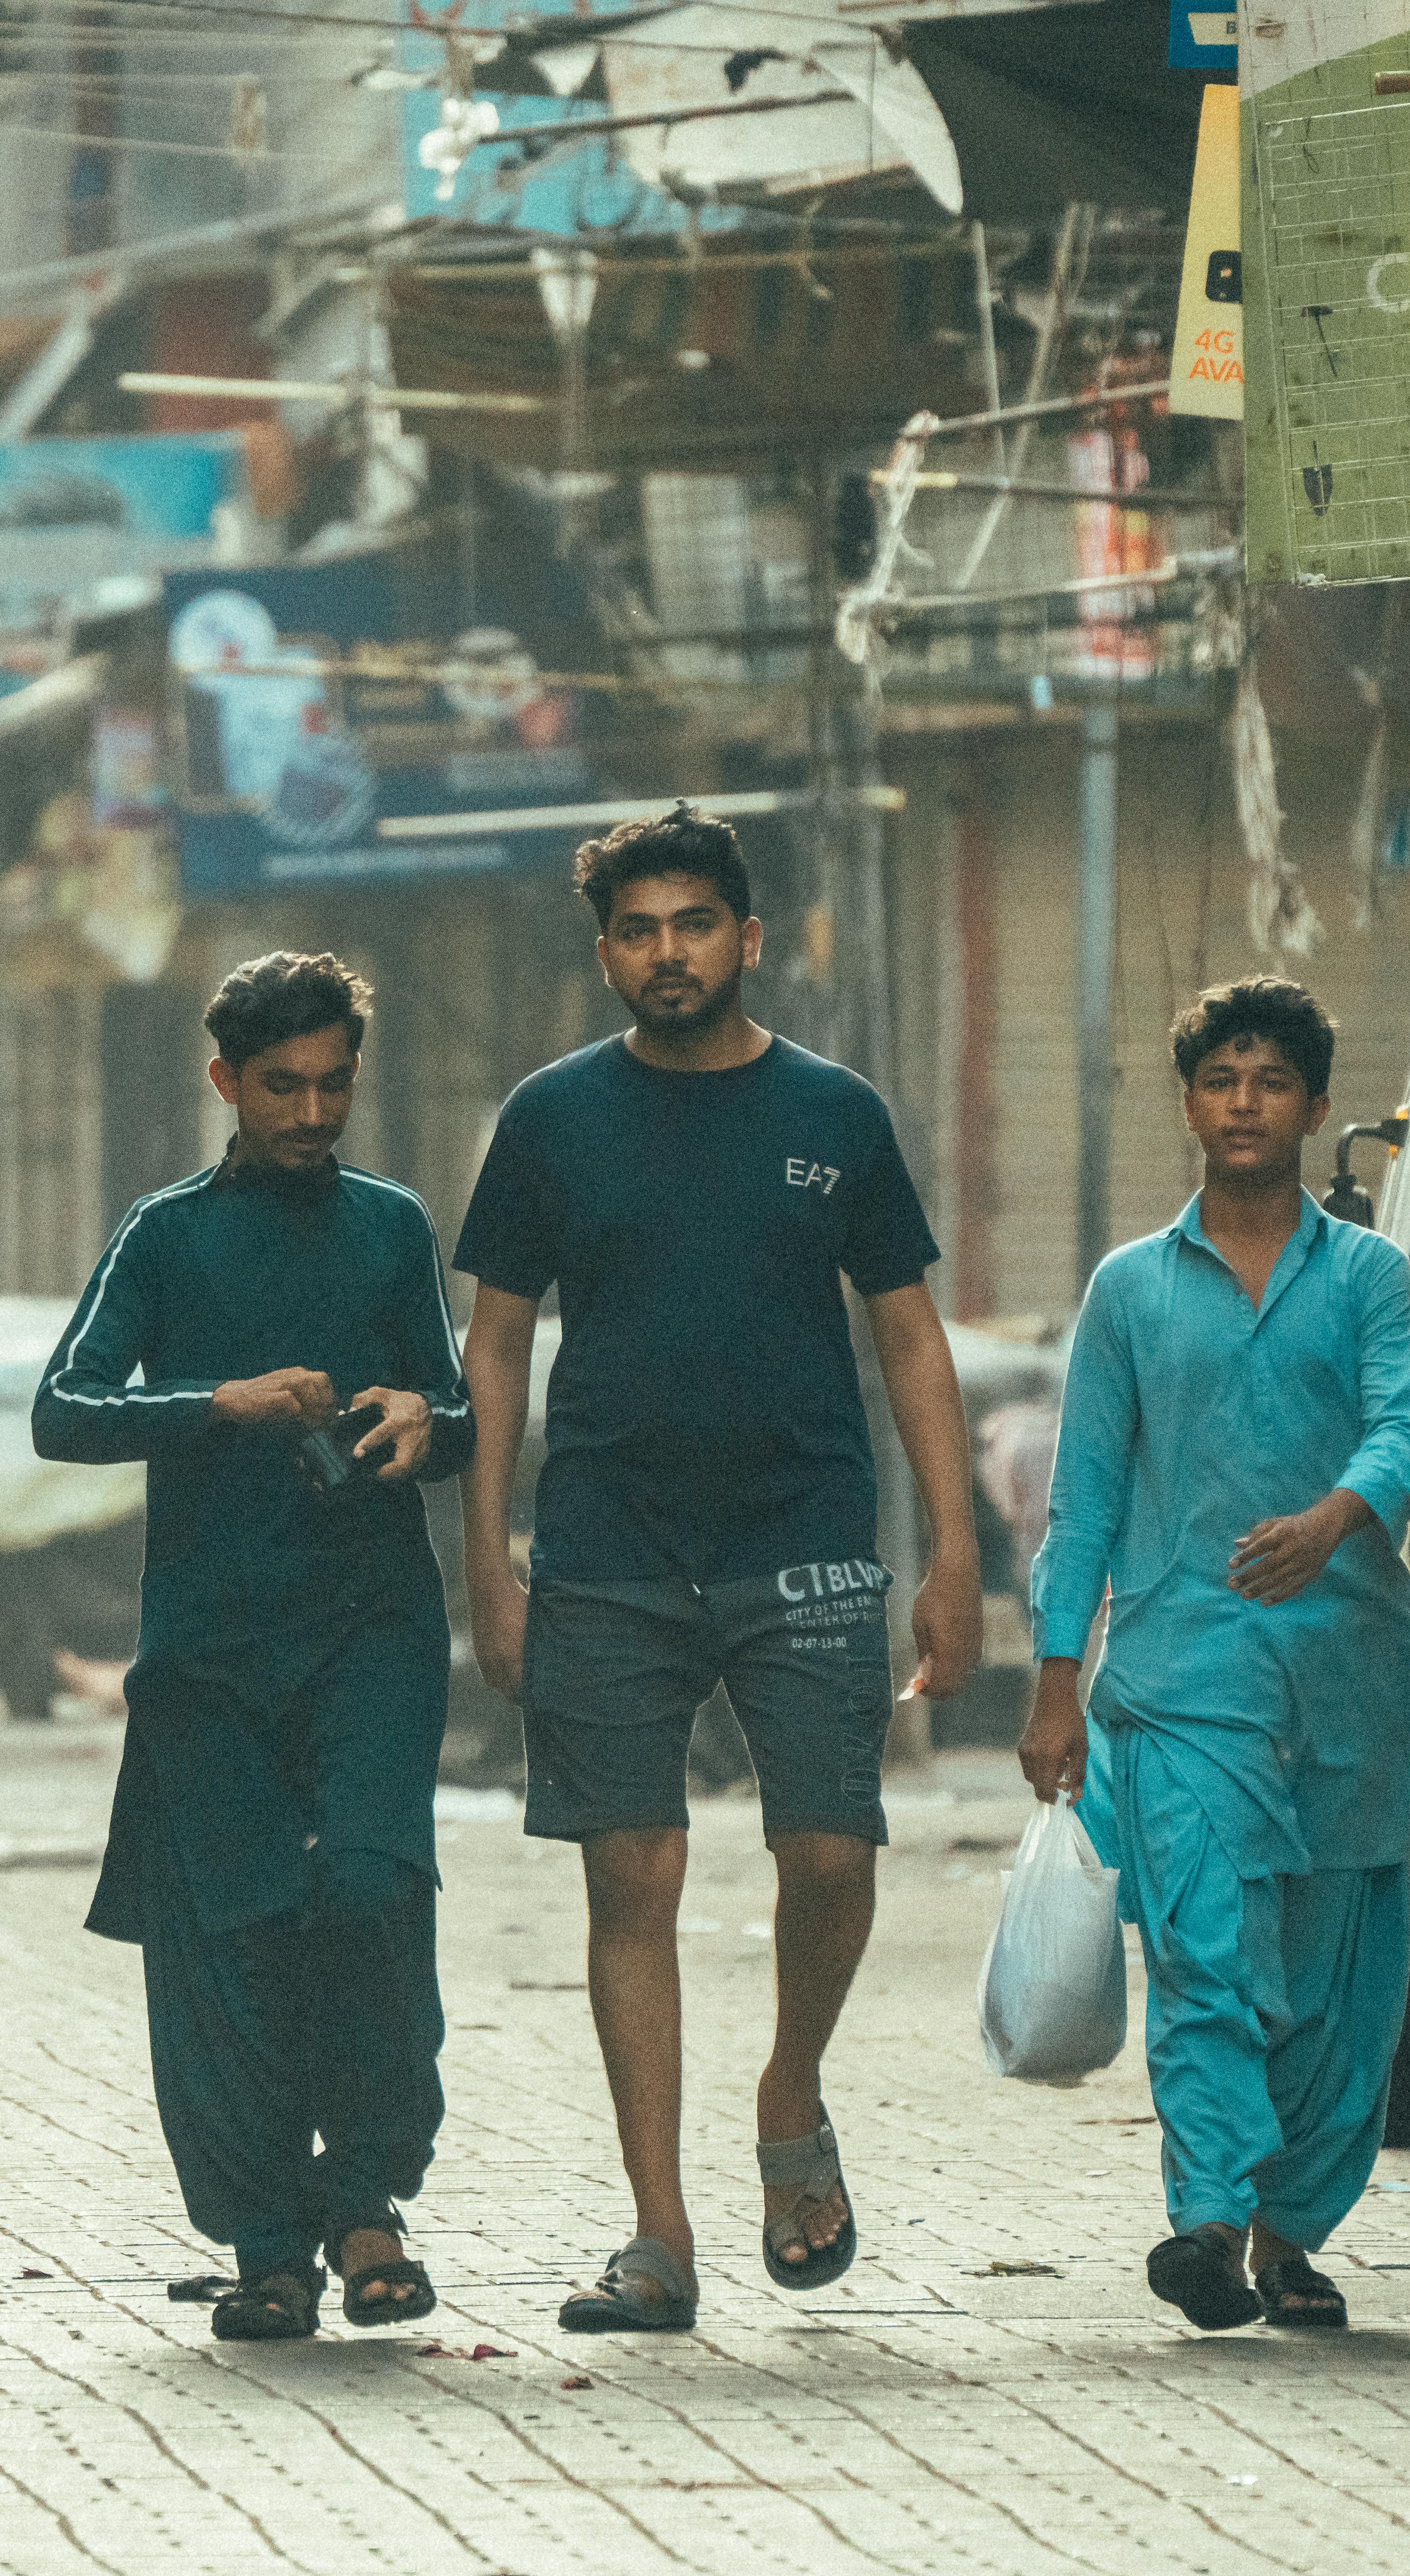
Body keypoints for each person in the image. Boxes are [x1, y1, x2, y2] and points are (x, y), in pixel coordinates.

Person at [454, 804, 981, 2336]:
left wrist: (949, 1553)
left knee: (830, 1851)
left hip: (807, 1538)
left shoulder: (836, 1111)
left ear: (748, 939)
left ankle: (790, 2089)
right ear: (606, 948)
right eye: (637, 928)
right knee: (634, 1876)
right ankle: (659, 2235)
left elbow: (907, 1332)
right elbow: (495, 1339)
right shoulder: (551, 1118)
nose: (666, 952)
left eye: (694, 924)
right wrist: (490, 1560)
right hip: (610, 1550)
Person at [32, 953, 474, 2343]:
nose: (312, 1109)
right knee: (232, 1930)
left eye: (335, 1082)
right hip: (212, 1647)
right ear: (225, 1081)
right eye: (282, 1084)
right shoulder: (164, 1237)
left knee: (372, 1886)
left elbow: (457, 1404)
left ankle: (369, 2199)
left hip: (374, 1629)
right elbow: (65, 1406)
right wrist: (214, 1402)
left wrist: (421, 1419)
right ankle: (271, 2239)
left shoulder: (394, 1228)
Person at [1017, 978, 1410, 2333]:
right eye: (1221, 1079)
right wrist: (1053, 1678)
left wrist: (1340, 1516)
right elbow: (1084, 1493)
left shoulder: (1371, 1275)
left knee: (1337, 1986)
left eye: (1272, 1080)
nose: (1246, 1101)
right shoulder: (1131, 1290)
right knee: (1210, 1957)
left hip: (1347, 1684)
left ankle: (1287, 2232)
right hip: (1182, 1683)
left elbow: (1405, 1419)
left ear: (1317, 1106)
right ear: (1192, 1103)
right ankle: (1206, 2214)